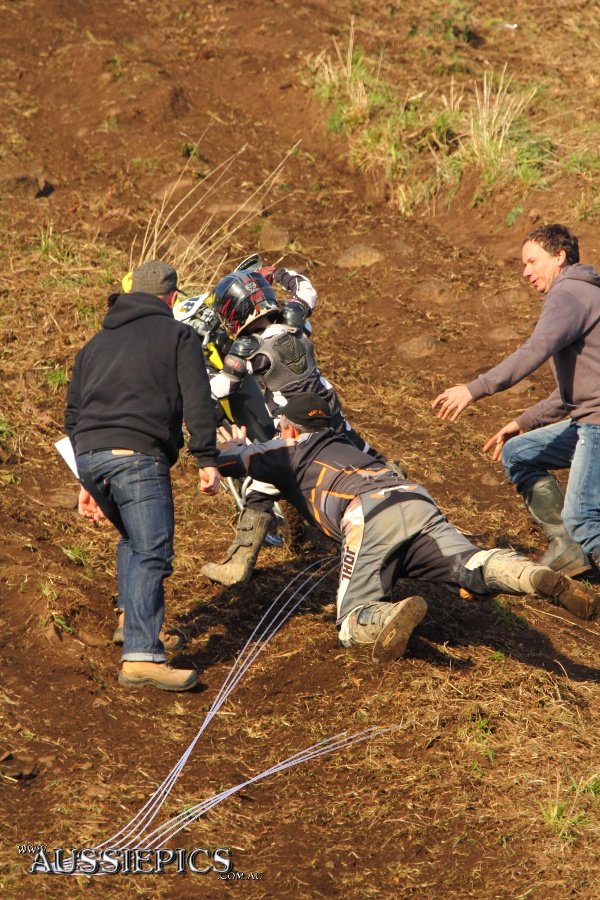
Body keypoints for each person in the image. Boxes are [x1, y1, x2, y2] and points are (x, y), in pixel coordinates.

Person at [213, 392, 597, 664]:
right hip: (413, 498)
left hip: (366, 513)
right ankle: (530, 574)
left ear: (291, 429)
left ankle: (383, 616)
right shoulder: (349, 443)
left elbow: (226, 458)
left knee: (349, 622)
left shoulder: (286, 448)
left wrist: (235, 445)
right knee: (470, 564)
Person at [65, 259, 220, 692]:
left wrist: (85, 478)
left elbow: (74, 415)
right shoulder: (178, 334)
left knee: (134, 541)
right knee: (153, 552)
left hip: (91, 458)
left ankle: (130, 621)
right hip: (138, 457)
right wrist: (206, 458)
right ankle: (141, 655)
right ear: (171, 298)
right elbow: (198, 399)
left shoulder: (95, 344)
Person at [198, 265, 403, 587]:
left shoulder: (250, 349)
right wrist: (279, 272)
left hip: (298, 433)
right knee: (375, 464)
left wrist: (196, 376)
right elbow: (307, 289)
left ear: (233, 313)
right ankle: (405, 518)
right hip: (334, 419)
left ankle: (238, 565)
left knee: (259, 487)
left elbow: (223, 389)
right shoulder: (295, 323)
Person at [432, 224, 600, 578]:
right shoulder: (582, 294)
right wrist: (523, 423)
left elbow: (534, 351)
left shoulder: (568, 293)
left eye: (532, 261)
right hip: (588, 420)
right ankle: (567, 549)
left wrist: (474, 389)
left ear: (559, 256)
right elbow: (575, 391)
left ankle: (578, 541)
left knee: (583, 520)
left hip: (597, 425)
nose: (525, 271)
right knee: (518, 452)